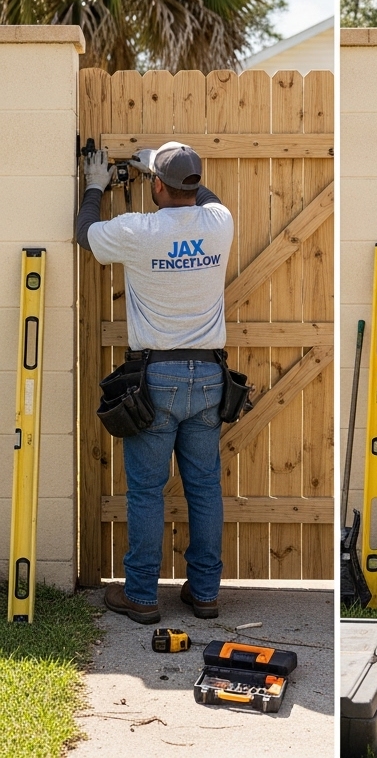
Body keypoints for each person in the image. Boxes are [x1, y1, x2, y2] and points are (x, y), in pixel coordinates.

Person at [79, 142, 234, 624]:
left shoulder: (137, 231)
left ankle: (142, 597)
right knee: (204, 488)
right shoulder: (219, 222)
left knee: (146, 491)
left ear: (156, 186)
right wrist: (162, 163)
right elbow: (204, 195)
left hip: (156, 378)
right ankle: (205, 594)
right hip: (210, 376)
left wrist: (94, 186)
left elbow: (84, 234)